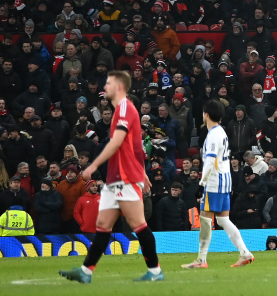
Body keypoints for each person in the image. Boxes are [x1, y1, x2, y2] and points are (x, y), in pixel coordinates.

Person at [59, 70, 164, 284]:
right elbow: (134, 147)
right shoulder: (119, 110)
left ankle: (155, 271)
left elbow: (117, 142)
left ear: (119, 87)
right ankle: (86, 272)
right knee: (103, 224)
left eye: (108, 83)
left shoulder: (125, 108)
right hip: (116, 177)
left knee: (138, 224)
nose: (104, 87)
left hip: (124, 178)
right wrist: (143, 172)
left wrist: (93, 166)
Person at [181, 100, 254, 269]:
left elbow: (210, 161)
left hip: (215, 181)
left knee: (205, 219)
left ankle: (201, 259)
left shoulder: (213, 134)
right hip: (224, 179)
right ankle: (245, 252)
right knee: (222, 219)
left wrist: (202, 183)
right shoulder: (221, 132)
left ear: (206, 114)